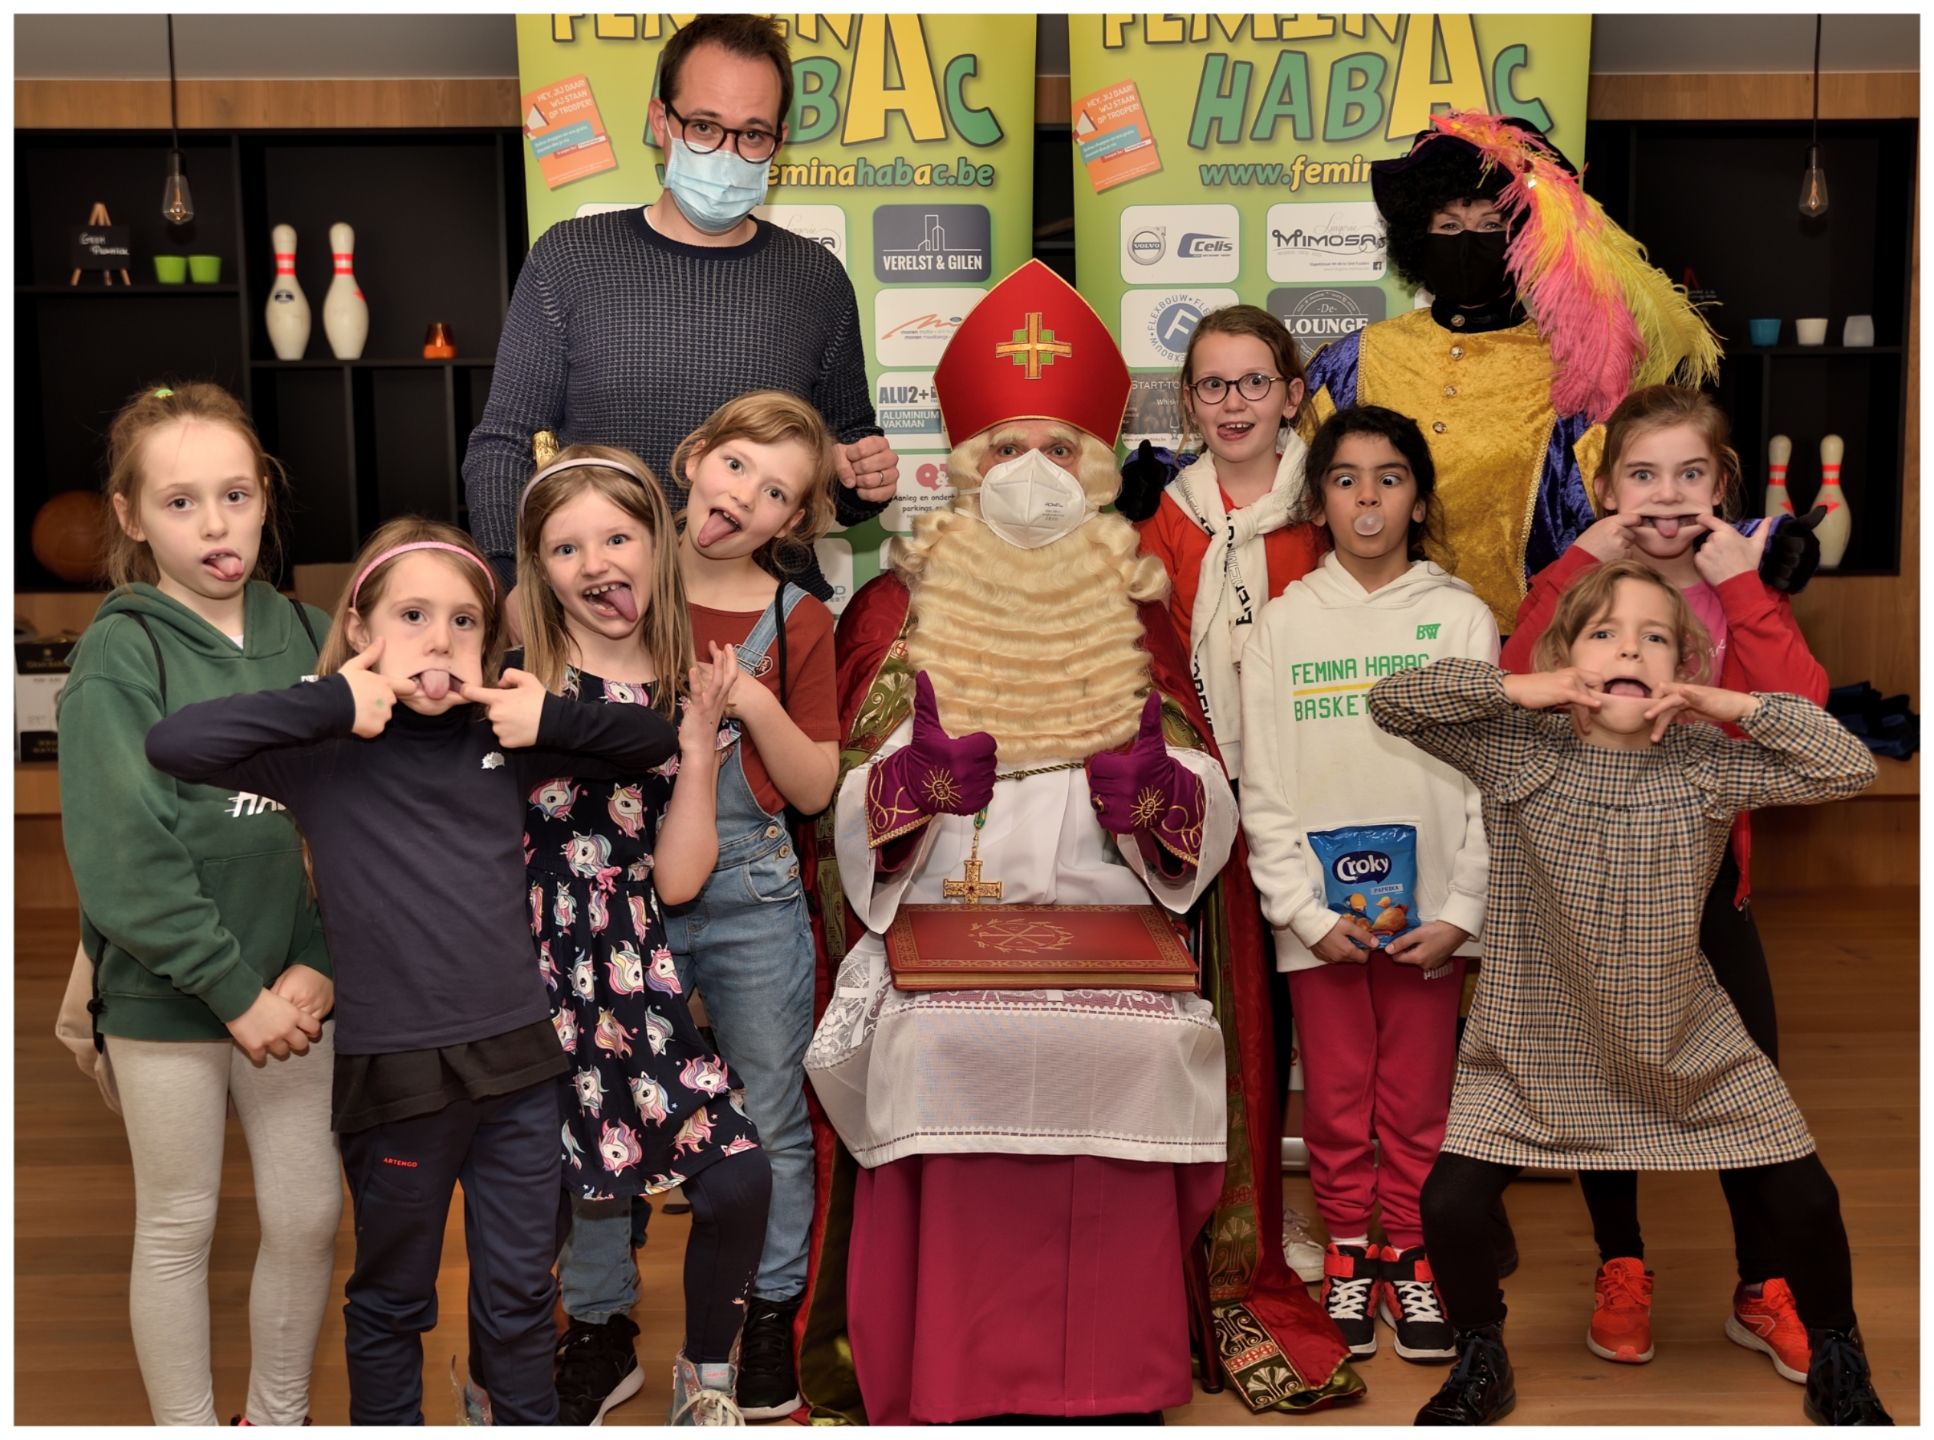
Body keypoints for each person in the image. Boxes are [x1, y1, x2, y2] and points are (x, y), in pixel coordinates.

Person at [796, 260, 1361, 1423]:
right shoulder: (893, 611)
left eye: (1060, 449)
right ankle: (951, 1372)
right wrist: (911, 785)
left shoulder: (1135, 608)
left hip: (1110, 943)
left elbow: (1202, 808)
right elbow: (841, 823)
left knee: (1141, 1062)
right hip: (941, 950)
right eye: (1006, 449)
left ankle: (1112, 1377)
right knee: (926, 1053)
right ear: (965, 466)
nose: (1032, 474)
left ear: (1097, 467)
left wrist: (1153, 795)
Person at [143, 519, 680, 1426]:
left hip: (519, 1071)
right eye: (413, 616)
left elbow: (650, 738)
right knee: (392, 1300)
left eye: (464, 621)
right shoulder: (323, 750)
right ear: (362, 629)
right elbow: (176, 744)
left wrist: (548, 715)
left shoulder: (505, 737)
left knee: (518, 1300)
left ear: (489, 640)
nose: (439, 640)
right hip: (396, 1078)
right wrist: (331, 700)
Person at [1366, 562, 1890, 1427]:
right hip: (1535, 1039)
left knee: (1810, 1199)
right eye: (1604, 633)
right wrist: (1522, 686)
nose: (1629, 649)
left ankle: (1841, 1354)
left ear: (1682, 667)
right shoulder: (1517, 748)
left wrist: (1729, 704)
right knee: (1448, 1205)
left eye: (1655, 638)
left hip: (1683, 1035)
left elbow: (1846, 765)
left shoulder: (1706, 763)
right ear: (1567, 657)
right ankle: (1481, 1356)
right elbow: (1394, 702)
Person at [1497, 386, 1829, 1379]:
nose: (1667, 494)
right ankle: (1621, 1264)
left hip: (1706, 884)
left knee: (1744, 1086)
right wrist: (1576, 564)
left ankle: (1761, 1284)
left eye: (1690, 473)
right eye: (1642, 474)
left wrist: (1744, 589)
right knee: (1602, 1080)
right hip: (1589, 887)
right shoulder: (1583, 585)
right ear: (1605, 489)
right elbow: (1513, 681)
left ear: (1722, 485)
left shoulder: (1740, 588)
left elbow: (1804, 719)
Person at [56, 382, 338, 1427]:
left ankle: (276, 1416)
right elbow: (124, 858)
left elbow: (357, 825)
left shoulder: (313, 634)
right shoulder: (120, 653)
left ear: (266, 495)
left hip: (296, 991)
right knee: (181, 1223)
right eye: (179, 503)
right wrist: (233, 992)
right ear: (130, 517)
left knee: (308, 1214)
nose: (214, 525)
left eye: (235, 495)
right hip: (170, 997)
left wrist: (321, 960)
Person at [463, 12, 897, 612]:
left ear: (778, 139)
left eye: (752, 134)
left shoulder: (817, 279)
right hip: (602, 614)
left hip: (764, 622)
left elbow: (840, 459)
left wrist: (863, 480)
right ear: (659, 121)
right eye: (704, 126)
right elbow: (505, 442)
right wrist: (512, 583)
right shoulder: (569, 258)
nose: (728, 153)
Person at [508, 445, 771, 1425]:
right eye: (565, 548)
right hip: (524, 977)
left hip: (630, 976)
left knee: (738, 1175)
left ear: (658, 547)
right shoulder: (519, 680)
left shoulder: (677, 690)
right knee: (524, 1213)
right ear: (540, 572)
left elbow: (681, 876)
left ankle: (704, 1379)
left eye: (617, 537)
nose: (596, 562)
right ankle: (512, 1381)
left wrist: (697, 750)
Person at [1239, 406, 1495, 1366]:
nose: (1368, 498)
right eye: (1345, 480)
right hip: (1323, 923)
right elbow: (1263, 785)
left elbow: (1491, 779)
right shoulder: (1283, 626)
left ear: (1418, 499)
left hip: (1430, 921)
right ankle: (1350, 1249)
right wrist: (1301, 913)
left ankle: (1413, 1253)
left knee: (1421, 1099)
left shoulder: (1461, 617)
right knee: (1338, 1098)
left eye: (1390, 477)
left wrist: (1462, 911)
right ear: (1319, 502)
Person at [1299, 110, 1721, 638]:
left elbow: (1650, 492)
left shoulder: (1576, 366)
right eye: (1448, 226)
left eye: (1490, 226)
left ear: (1523, 239)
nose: (1467, 241)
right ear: (1418, 238)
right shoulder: (1355, 358)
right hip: (1371, 634)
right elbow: (1283, 489)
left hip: (1528, 641)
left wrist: (1760, 544)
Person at [1123, 304, 1331, 1272]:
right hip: (1209, 792)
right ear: (1188, 402)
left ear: (1291, 394)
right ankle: (1212, 1208)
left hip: (1314, 788)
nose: (1234, 402)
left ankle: (1326, 1216)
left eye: (1255, 382)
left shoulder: (1330, 503)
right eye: (1213, 384)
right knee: (1221, 1006)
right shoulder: (1163, 517)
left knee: (1311, 1011)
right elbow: (1147, 660)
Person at [661, 391, 845, 1418]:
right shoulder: (621, 584)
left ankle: (768, 1311)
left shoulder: (798, 619)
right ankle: (597, 1319)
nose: (745, 495)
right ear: (695, 460)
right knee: (611, 1104)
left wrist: (755, 699)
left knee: (770, 1108)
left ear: (792, 522)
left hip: (752, 889)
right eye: (735, 465)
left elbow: (814, 787)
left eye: (775, 492)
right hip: (627, 883)